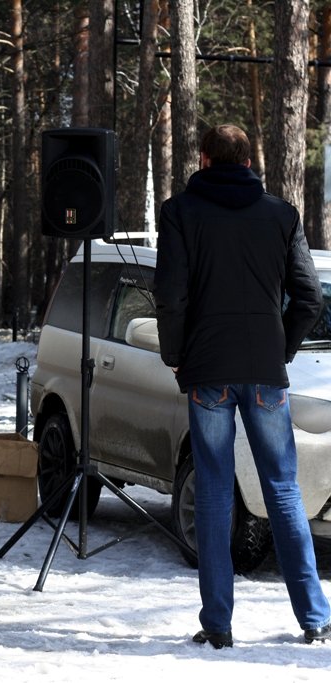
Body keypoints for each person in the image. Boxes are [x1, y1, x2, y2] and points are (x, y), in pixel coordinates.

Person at [155, 124, 331, 648]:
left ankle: (218, 624)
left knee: (212, 490)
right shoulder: (280, 214)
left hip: (206, 368)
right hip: (263, 369)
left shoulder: (181, 211)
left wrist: (174, 355)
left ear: (204, 159)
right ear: (249, 159)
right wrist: (280, 349)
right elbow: (309, 298)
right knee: (282, 489)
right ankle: (315, 618)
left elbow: (170, 295)